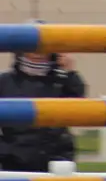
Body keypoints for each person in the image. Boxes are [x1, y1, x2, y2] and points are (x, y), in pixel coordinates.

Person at [0, 23, 86, 173]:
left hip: (56, 158)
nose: (37, 49)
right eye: (32, 43)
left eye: (43, 44)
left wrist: (70, 73)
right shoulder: (4, 81)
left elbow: (79, 102)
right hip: (13, 159)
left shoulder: (62, 79)